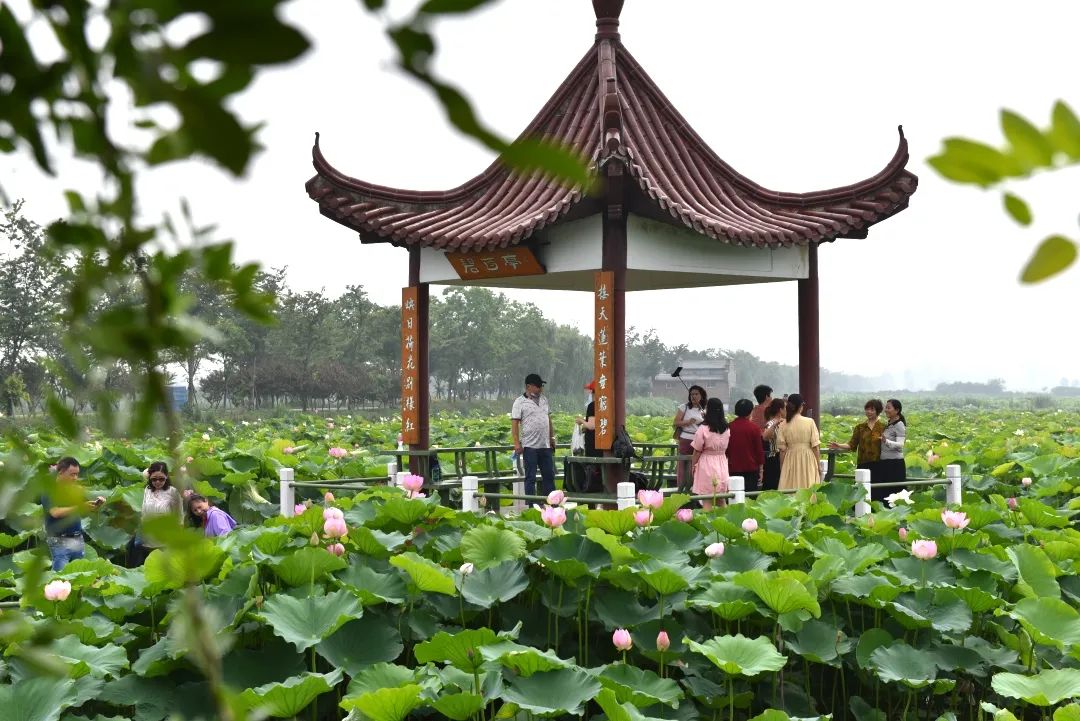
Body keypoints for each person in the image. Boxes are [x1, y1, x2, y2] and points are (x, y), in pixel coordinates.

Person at [40, 457, 106, 571]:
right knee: (59, 577)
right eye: (72, 474)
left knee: (78, 576)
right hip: (59, 540)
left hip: (77, 538)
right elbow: (55, 512)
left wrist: (96, 505)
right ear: (60, 472)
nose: (75, 478)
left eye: (77, 474)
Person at [828, 399, 886, 500]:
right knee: (861, 491)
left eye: (872, 409)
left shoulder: (884, 427)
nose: (868, 412)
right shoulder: (860, 427)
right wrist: (839, 445)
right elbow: (852, 445)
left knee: (877, 491)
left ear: (878, 411)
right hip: (863, 463)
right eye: (867, 409)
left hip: (879, 464)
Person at [511, 372, 556, 497]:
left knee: (549, 476)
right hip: (530, 446)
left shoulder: (544, 400)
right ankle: (531, 505)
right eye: (538, 386)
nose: (540, 388)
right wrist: (516, 443)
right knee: (530, 477)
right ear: (529, 386)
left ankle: (551, 505)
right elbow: (515, 424)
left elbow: (548, 419)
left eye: (541, 386)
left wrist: (552, 437)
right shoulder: (519, 402)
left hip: (545, 445)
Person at [132, 462, 184, 564]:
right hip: (148, 537)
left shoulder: (173, 492)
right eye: (154, 479)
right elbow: (144, 511)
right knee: (147, 564)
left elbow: (179, 516)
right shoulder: (148, 490)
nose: (158, 482)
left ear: (167, 477)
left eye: (161, 479)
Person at [691, 397, 730, 510]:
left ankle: (707, 526)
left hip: (706, 462)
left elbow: (697, 450)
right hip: (722, 462)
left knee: (707, 499)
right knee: (721, 499)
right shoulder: (726, 428)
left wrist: (693, 465)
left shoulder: (703, 428)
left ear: (708, 409)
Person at [778, 393, 821, 491]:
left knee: (790, 488)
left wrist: (782, 467)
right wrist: (818, 466)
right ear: (800, 406)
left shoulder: (783, 424)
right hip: (808, 458)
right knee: (808, 488)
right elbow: (815, 447)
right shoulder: (809, 422)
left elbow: (782, 450)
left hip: (790, 458)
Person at [673, 385, 707, 491]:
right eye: (692, 394)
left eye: (696, 394)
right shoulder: (684, 407)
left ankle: (696, 486)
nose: (693, 396)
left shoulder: (705, 409)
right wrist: (688, 422)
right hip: (685, 438)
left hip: (700, 439)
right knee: (683, 462)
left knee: (698, 463)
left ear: (702, 395)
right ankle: (681, 486)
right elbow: (675, 422)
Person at [726, 399, 764, 490]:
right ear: (750, 411)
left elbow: (726, 449)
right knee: (750, 497)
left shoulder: (728, 427)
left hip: (733, 468)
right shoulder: (754, 428)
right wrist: (761, 470)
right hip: (751, 468)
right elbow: (759, 451)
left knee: (734, 496)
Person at [878, 399, 908, 490]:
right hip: (885, 463)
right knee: (885, 492)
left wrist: (886, 441)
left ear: (897, 410)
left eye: (888, 408)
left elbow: (900, 445)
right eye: (885, 408)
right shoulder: (889, 424)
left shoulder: (899, 425)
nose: (886, 410)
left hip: (894, 464)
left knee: (894, 492)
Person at [761, 398, 786, 491]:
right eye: (785, 408)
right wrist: (775, 424)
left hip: (783, 456)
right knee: (772, 485)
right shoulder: (771, 423)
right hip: (774, 457)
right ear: (780, 410)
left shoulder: (786, 422)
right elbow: (765, 437)